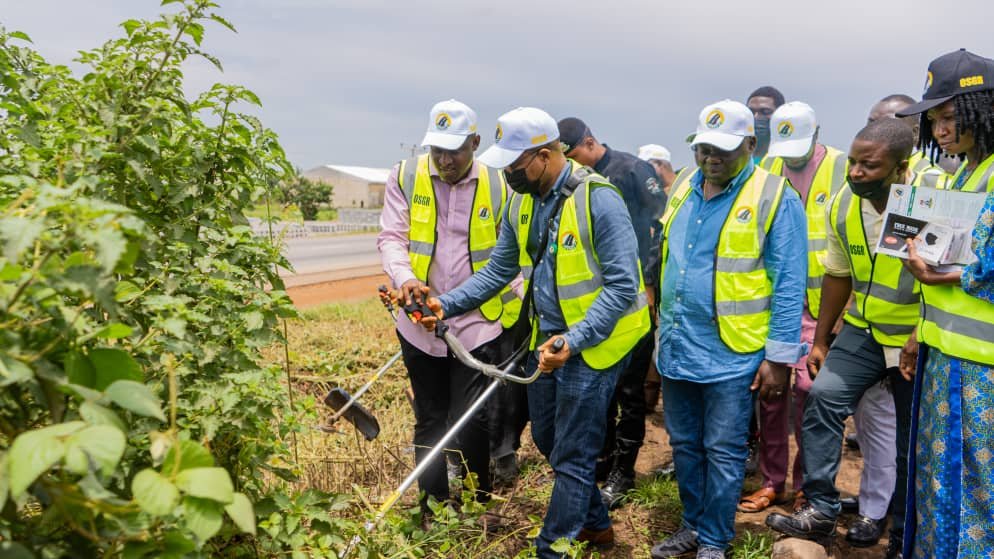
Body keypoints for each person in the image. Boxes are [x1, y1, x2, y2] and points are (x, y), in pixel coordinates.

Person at [419, 107, 650, 557]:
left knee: (574, 453)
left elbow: (624, 285)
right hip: (549, 341)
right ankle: (597, 527)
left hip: (598, 341)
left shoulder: (598, 199)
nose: (507, 173)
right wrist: (444, 303)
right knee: (546, 436)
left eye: (515, 164)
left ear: (544, 156)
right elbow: (498, 271)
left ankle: (553, 547)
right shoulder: (522, 201)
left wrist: (575, 339)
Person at [650, 100, 807, 559]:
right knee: (684, 446)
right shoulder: (682, 183)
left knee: (722, 450)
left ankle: (715, 539)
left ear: (751, 146)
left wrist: (778, 360)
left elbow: (788, 283)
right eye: (703, 149)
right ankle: (692, 525)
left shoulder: (775, 196)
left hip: (733, 354)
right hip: (678, 345)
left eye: (723, 150)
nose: (711, 159)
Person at [765, 119, 921, 558]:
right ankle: (821, 507)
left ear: (899, 168)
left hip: (916, 337)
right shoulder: (843, 205)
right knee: (822, 398)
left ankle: (904, 532)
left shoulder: (923, 203)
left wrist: (918, 332)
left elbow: (941, 280)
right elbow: (838, 274)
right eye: (852, 162)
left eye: (868, 166)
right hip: (866, 330)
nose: (854, 172)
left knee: (910, 438)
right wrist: (820, 341)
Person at [377, 99, 516, 524]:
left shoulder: (501, 184)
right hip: (419, 322)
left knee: (470, 419)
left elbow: (510, 257)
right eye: (436, 149)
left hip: (477, 321)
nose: (443, 159)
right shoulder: (405, 175)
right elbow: (392, 237)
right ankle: (431, 506)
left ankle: (477, 500)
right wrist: (404, 279)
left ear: (475, 142)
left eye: (454, 150)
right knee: (430, 417)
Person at [895, 48, 994, 558]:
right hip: (944, 357)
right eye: (934, 121)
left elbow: (973, 268)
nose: (940, 131)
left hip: (981, 373)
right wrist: (918, 333)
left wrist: (947, 275)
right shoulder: (964, 176)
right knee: (939, 483)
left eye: (950, 117)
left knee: (976, 494)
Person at [736, 101, 847, 514]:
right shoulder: (769, 164)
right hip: (777, 300)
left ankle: (807, 483)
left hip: (823, 306)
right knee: (771, 394)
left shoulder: (841, 166)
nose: (793, 156)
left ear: (817, 134)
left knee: (809, 394)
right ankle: (772, 481)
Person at [558, 118, 664, 508]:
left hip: (633, 298)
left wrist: (650, 284)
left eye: (573, 154)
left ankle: (625, 471)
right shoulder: (573, 182)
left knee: (630, 392)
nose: (571, 163)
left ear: (589, 141)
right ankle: (601, 461)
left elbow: (658, 227)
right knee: (599, 391)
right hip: (594, 304)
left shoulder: (632, 170)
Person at [747, 85, 786, 162]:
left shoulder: (789, 159)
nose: (756, 117)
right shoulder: (736, 156)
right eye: (751, 112)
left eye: (765, 112)